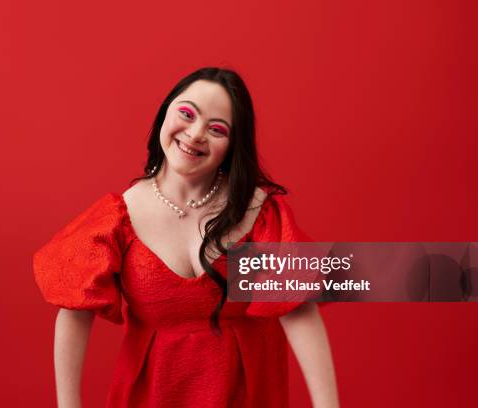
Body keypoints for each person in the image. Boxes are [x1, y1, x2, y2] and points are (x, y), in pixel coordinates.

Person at [33, 67, 339, 408]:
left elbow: (297, 309)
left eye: (217, 129)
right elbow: (75, 311)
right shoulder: (117, 218)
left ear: (232, 146)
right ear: (165, 112)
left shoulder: (258, 210)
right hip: (152, 396)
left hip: (247, 394)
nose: (195, 134)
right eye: (187, 113)